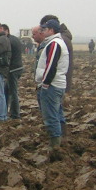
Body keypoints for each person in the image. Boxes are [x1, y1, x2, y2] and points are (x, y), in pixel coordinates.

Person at [34, 18, 69, 160]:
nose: (43, 31)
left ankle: (55, 146)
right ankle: (61, 140)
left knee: (51, 116)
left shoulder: (54, 44)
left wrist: (45, 83)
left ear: (52, 30)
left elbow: (51, 66)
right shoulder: (57, 42)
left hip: (52, 85)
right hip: (58, 84)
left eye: (45, 29)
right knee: (58, 113)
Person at [3, 24, 23, 120]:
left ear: (6, 31)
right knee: (6, 90)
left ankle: (15, 114)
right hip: (18, 67)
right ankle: (5, 110)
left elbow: (8, 56)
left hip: (12, 69)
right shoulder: (14, 39)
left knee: (12, 92)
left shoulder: (8, 41)